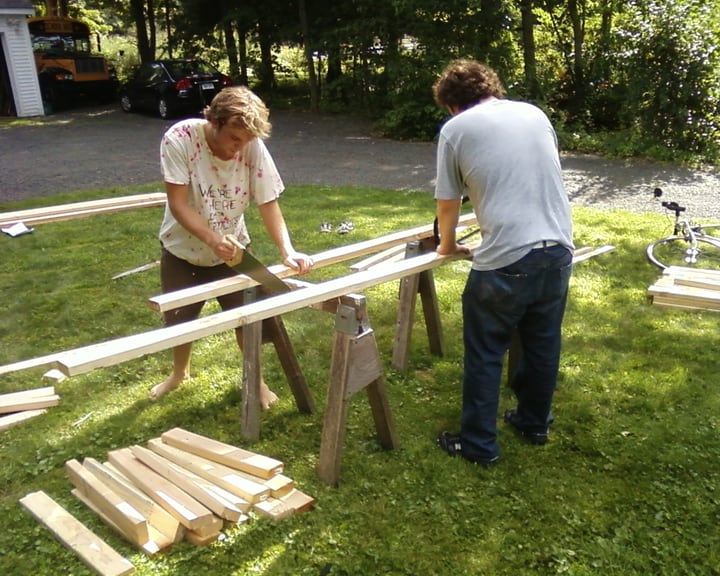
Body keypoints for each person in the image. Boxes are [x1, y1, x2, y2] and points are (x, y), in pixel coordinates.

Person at [432, 59, 574, 466]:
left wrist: (446, 245)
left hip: (508, 259)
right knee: (543, 344)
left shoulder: (456, 129)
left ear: (452, 105)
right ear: (491, 88)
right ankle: (534, 423)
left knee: (485, 350)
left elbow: (447, 202)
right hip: (559, 249)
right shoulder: (533, 113)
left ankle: (478, 446)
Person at [149, 85, 313, 406]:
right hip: (183, 250)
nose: (239, 149)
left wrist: (287, 250)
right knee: (179, 321)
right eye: (234, 139)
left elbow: (268, 202)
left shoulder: (251, 145)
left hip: (234, 251)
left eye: (247, 141)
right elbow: (179, 204)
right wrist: (211, 238)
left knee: (248, 318)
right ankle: (179, 373)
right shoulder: (180, 139)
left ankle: (258, 382)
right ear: (215, 122)